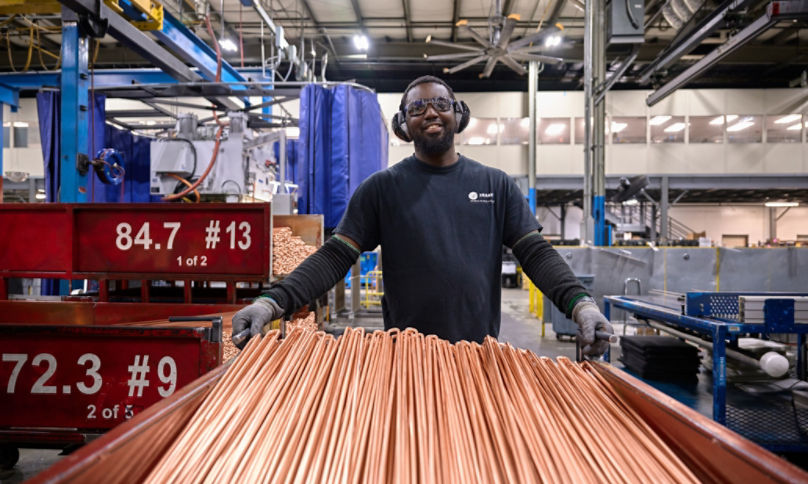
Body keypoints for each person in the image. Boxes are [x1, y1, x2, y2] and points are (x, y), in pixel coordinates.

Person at [233, 75, 614, 356]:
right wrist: (271, 302)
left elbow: (537, 254)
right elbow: (335, 256)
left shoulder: (496, 185)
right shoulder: (381, 189)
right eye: (417, 107)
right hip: (406, 358)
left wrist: (582, 305)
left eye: (440, 104)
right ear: (403, 124)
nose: (431, 112)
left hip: (479, 356)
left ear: (457, 115)